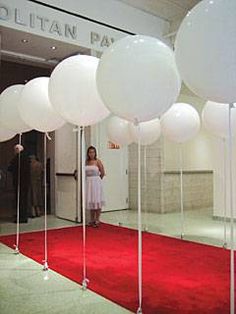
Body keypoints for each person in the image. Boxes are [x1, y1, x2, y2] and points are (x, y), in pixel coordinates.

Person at [8, 144, 30, 223]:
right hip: (25, 183)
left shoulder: (17, 158)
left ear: (17, 150)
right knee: (24, 199)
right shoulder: (26, 158)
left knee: (19, 200)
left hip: (19, 182)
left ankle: (21, 217)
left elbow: (10, 168)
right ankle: (23, 216)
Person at [86, 146, 105, 227]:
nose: (91, 154)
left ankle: (97, 219)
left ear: (95, 153)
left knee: (97, 200)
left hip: (96, 182)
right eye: (90, 152)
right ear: (88, 153)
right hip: (89, 182)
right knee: (91, 201)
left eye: (93, 152)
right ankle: (92, 219)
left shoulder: (98, 161)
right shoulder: (86, 162)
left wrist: (97, 180)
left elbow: (103, 172)